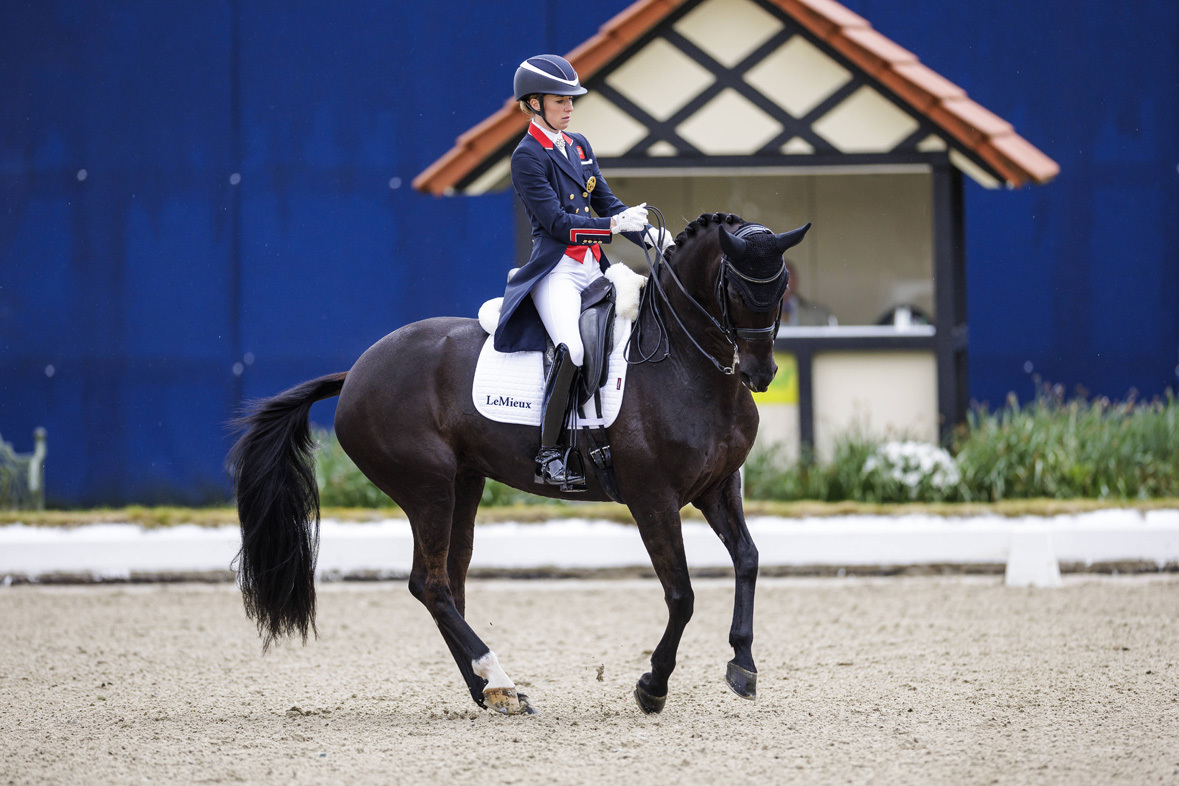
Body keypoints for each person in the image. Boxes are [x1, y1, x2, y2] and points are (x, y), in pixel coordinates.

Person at [493, 54, 671, 489]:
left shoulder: (579, 146)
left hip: (593, 267)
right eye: (560, 100)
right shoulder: (527, 157)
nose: (569, 107)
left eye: (571, 99)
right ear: (533, 104)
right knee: (572, 349)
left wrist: (650, 236)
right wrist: (612, 227)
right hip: (556, 270)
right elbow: (556, 223)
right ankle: (550, 452)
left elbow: (607, 202)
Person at [780, 259, 837, 327]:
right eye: (778, 277)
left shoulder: (819, 314)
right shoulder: (767, 313)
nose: (782, 281)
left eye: (787, 276)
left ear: (795, 279)